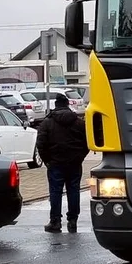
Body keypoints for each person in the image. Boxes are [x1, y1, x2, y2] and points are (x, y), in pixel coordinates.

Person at [35, 94, 89, 233]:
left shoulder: (47, 123)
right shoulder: (79, 122)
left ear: (56, 105)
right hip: (74, 163)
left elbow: (40, 144)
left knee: (55, 192)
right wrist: (80, 157)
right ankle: (72, 221)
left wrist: (47, 161)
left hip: (55, 163)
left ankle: (55, 222)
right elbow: (87, 143)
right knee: (74, 190)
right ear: (67, 104)